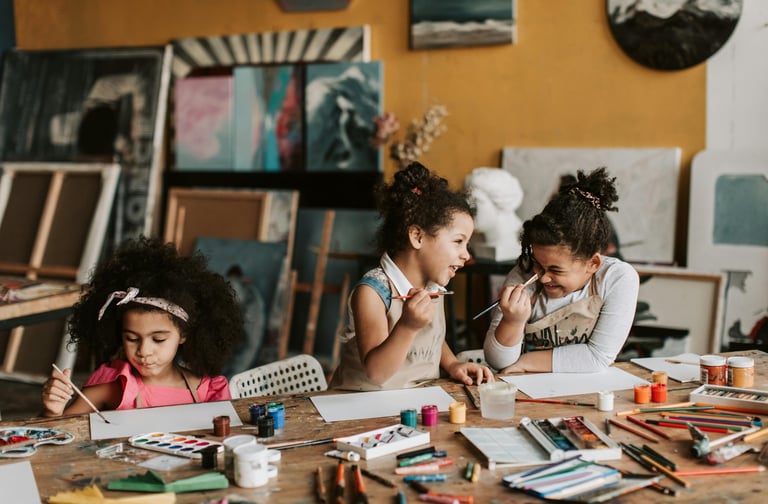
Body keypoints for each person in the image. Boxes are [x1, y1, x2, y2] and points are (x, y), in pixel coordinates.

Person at [330, 162, 494, 390]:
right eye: (458, 241)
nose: (466, 255)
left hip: (416, 400)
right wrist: (407, 326)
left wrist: (452, 364)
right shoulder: (372, 293)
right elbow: (376, 373)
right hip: (363, 402)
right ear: (417, 236)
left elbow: (432, 338)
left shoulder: (434, 284)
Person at [41, 236, 244, 416]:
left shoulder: (207, 390)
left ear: (183, 334)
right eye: (132, 338)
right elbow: (59, 433)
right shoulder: (114, 386)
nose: (144, 351)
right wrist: (52, 411)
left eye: (158, 339)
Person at [483, 168, 639, 373]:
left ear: (593, 264)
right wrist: (512, 321)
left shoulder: (617, 279)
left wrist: (524, 362)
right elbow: (497, 362)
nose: (543, 278)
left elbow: (598, 357)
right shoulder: (523, 275)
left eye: (555, 270)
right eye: (538, 264)